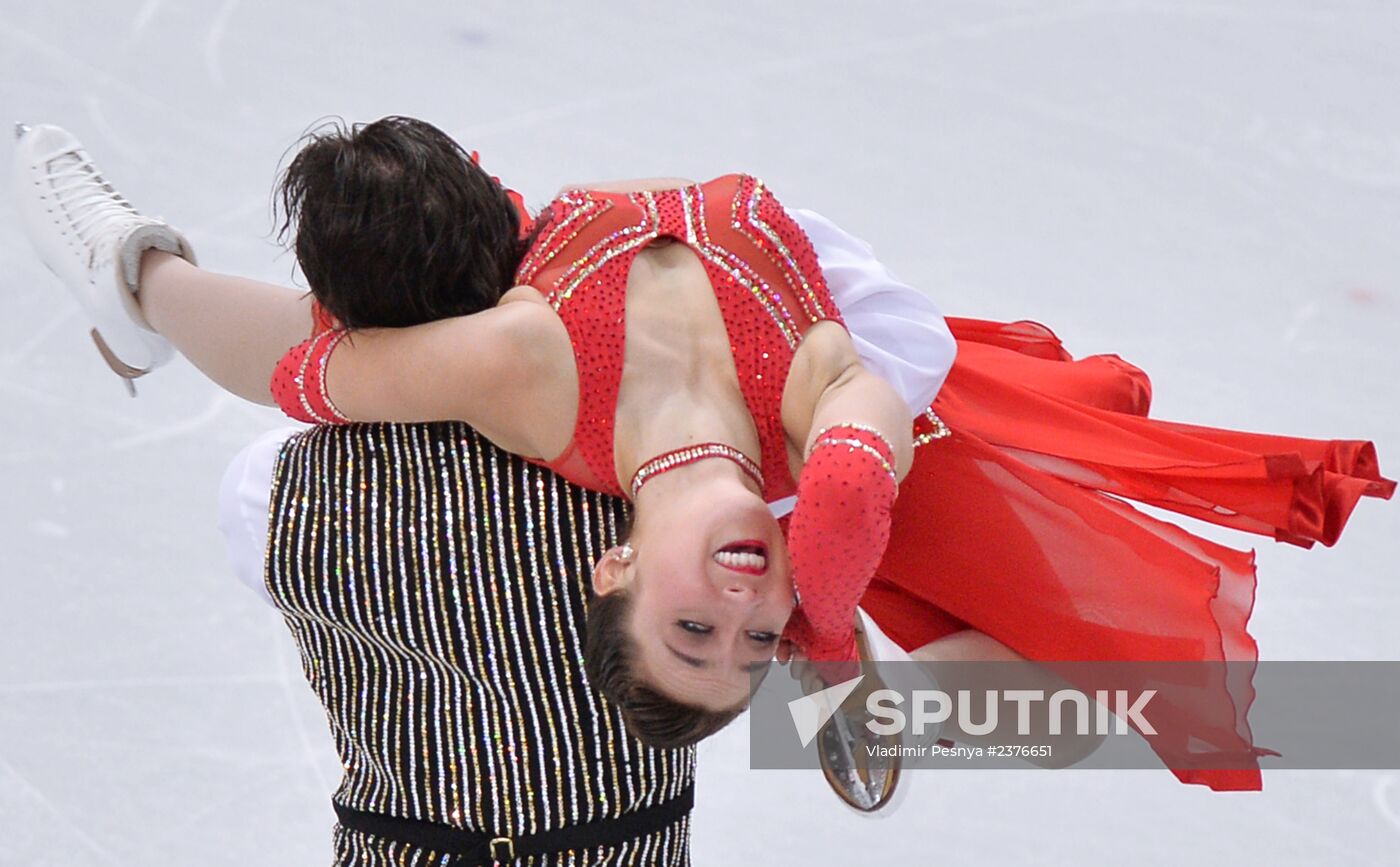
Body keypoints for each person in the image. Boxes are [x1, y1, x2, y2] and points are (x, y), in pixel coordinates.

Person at [16, 116, 1394, 802]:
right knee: (1073, 638)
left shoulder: (517, 368)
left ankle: (130, 280)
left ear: (610, 555)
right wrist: (831, 627)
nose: (741, 607)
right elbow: (856, 455)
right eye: (749, 639)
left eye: (695, 625)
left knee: (372, 271)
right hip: (846, 356)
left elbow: (307, 371)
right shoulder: (823, 430)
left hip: (539, 254)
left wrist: (147, 285)